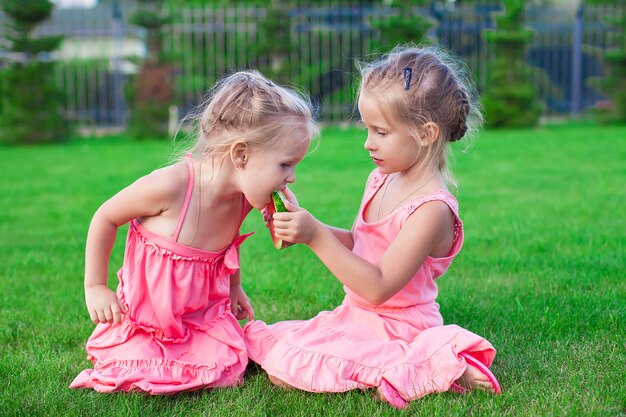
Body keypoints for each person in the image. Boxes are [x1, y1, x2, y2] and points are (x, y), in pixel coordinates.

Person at [244, 46, 501, 408]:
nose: (368, 143)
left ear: (425, 134)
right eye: (367, 129)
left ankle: (440, 363)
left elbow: (378, 286)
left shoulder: (431, 210)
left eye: (380, 132)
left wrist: (316, 237)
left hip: (400, 327)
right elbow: (359, 244)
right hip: (357, 315)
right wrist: (306, 227)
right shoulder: (382, 178)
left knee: (289, 371)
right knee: (276, 357)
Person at [70, 70, 318, 394]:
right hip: (149, 321)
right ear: (241, 154)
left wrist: (235, 287)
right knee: (137, 371)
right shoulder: (171, 186)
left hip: (199, 316)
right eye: (285, 165)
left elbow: (229, 245)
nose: (293, 177)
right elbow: (105, 217)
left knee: (228, 364)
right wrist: (95, 286)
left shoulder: (243, 200)